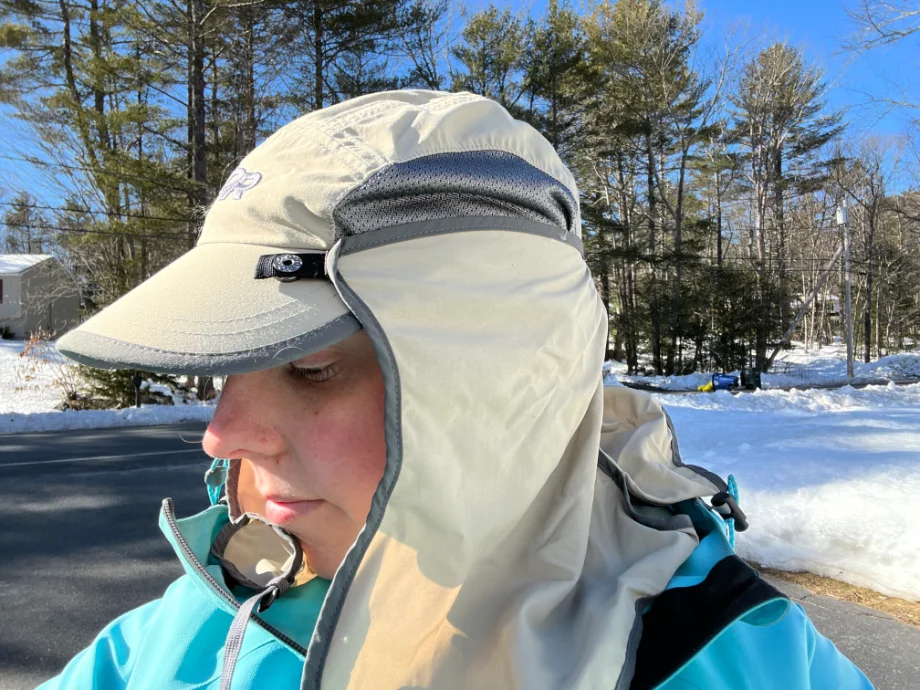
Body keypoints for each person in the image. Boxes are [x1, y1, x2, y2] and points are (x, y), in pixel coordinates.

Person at [46, 90, 872, 690]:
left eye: (311, 368)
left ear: (502, 385)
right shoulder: (193, 634)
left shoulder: (736, 655)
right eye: (230, 370)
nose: (221, 435)